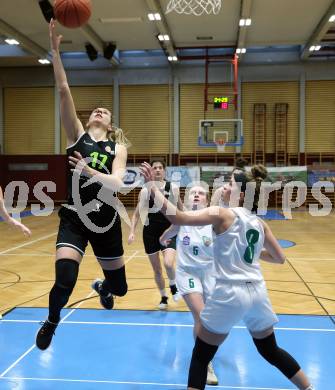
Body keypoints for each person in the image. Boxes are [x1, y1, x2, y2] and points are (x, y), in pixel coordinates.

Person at [140, 162, 314, 390]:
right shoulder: (259, 223)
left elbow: (179, 218)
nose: (224, 186)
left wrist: (153, 187)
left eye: (230, 183)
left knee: (201, 356)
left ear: (240, 194)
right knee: (271, 350)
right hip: (258, 293)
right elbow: (279, 257)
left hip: (231, 293)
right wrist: (246, 254)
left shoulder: (221, 214)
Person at [36, 19, 130, 350]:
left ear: (110, 123)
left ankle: (104, 287)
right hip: (75, 215)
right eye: (97, 110)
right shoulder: (76, 136)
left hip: (105, 219)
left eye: (105, 112)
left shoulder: (117, 147)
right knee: (64, 277)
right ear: (89, 119)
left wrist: (90, 173)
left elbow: (118, 183)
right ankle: (51, 320)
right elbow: (63, 90)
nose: (100, 112)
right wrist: (55, 52)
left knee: (120, 289)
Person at [159, 184, 218, 385]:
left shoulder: (214, 220)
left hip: (210, 273)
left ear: (207, 201)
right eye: (193, 192)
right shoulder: (182, 218)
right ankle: (205, 363)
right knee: (202, 318)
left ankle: (203, 355)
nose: (196, 195)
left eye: (201, 193)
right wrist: (163, 238)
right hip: (188, 273)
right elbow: (170, 230)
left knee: (207, 320)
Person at [128, 160, 182, 309]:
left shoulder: (173, 188)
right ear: (151, 172)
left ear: (164, 171)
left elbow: (181, 211)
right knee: (157, 269)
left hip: (168, 230)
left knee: (168, 263)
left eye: (160, 168)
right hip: (150, 233)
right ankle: (163, 297)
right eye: (154, 168)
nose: (157, 170)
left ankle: (173, 285)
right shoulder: (145, 190)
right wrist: (132, 232)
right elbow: (136, 215)